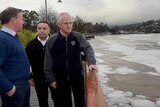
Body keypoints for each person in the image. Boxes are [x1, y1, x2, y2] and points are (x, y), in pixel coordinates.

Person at [44, 12, 98, 107]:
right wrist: (51, 79)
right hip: (61, 80)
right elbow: (48, 63)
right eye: (66, 23)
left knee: (81, 103)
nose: (69, 26)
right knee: (65, 103)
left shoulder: (78, 37)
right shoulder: (52, 41)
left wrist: (91, 63)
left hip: (77, 77)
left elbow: (88, 49)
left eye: (71, 23)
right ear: (59, 24)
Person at [0, 7, 30, 107]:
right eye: (21, 19)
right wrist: (9, 88)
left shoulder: (12, 37)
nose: (23, 22)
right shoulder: (2, 39)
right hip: (13, 90)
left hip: (23, 86)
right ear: (13, 20)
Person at [25, 21, 59, 107]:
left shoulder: (56, 43)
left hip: (54, 77)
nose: (42, 30)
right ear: (37, 29)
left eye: (44, 28)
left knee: (57, 99)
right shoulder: (30, 45)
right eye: (39, 28)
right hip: (38, 77)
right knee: (42, 100)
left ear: (49, 30)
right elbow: (27, 63)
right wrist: (30, 77)